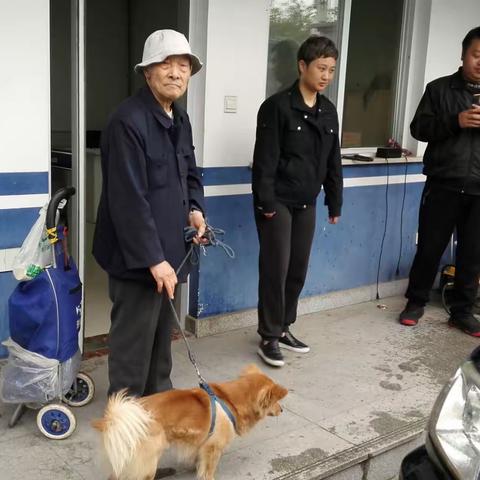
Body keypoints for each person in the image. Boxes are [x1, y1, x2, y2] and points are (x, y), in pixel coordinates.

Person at [93, 29, 206, 397]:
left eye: (184, 65)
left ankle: (158, 412)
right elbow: (128, 199)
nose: (176, 73)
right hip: (137, 259)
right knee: (132, 348)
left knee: (161, 343)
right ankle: (124, 427)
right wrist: (154, 259)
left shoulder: (181, 119)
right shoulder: (127, 121)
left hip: (169, 253)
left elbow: (190, 172)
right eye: (166, 64)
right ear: (147, 72)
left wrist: (195, 209)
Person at [252, 36, 343, 367]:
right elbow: (264, 162)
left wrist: (335, 203)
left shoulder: (328, 111)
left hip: (307, 202)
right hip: (277, 201)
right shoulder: (277, 107)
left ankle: (285, 326)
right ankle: (269, 336)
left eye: (331, 70)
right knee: (275, 269)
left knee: (297, 269)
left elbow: (333, 160)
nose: (326, 76)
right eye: (321, 68)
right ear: (302, 66)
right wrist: (266, 204)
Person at [399, 26, 480, 337]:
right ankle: (415, 302)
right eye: (476, 55)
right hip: (444, 183)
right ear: (463, 55)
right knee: (430, 248)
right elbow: (419, 128)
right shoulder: (439, 89)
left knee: (472, 254)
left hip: (479, 190)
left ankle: (462, 312)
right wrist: (455, 121)